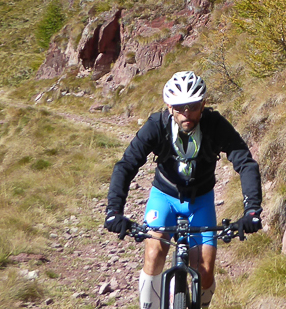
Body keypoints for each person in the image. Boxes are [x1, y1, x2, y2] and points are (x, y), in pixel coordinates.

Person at [105, 71, 263, 309]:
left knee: (205, 270)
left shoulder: (215, 125)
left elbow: (245, 163)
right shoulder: (156, 126)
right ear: (169, 107)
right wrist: (114, 211)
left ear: (203, 104)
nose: (186, 113)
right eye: (180, 108)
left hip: (201, 200)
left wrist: (252, 210)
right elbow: (126, 165)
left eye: (193, 106)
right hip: (164, 197)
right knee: (154, 253)